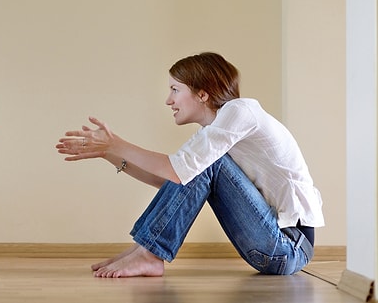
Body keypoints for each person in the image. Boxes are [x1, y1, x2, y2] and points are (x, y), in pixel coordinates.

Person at [56, 52, 324, 278]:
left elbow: (178, 171)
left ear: (203, 94)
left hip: (287, 246)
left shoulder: (240, 111)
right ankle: (143, 249)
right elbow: (174, 182)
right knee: (190, 170)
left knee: (197, 166)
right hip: (271, 246)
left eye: (175, 89)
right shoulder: (215, 132)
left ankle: (149, 253)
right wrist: (108, 153)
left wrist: (116, 144)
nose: (168, 100)